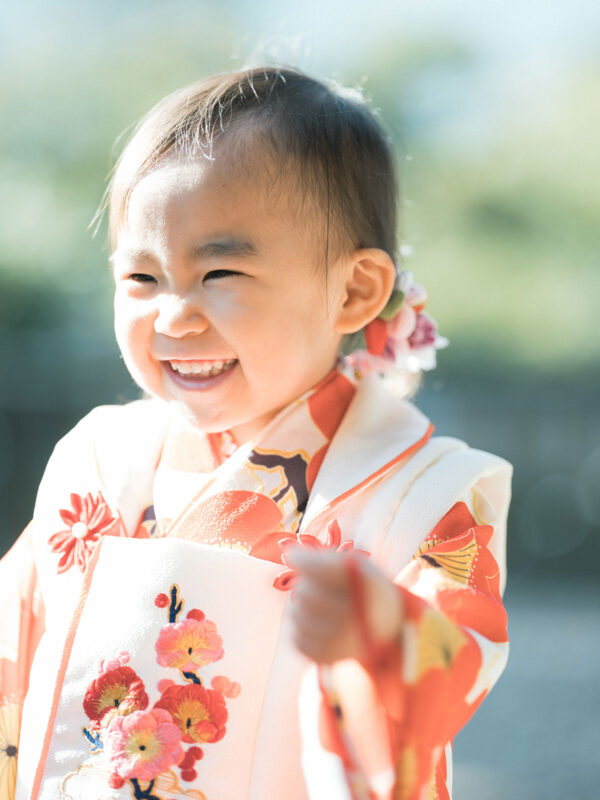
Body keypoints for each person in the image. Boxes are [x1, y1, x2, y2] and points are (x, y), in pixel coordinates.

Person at [0, 66, 512, 800]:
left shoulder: (420, 492)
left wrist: (377, 631)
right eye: (142, 279)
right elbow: (14, 642)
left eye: (220, 272)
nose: (173, 317)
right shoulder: (97, 462)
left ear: (355, 291)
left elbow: (462, 648)